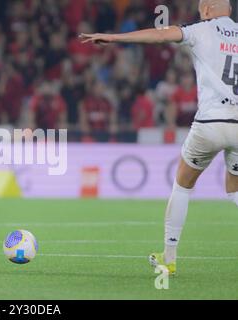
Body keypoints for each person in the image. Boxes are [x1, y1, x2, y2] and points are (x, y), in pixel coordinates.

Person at [79, 0, 238, 275]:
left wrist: (114, 37)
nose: (200, 11)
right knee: (234, 190)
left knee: (183, 185)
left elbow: (161, 34)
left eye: (201, 6)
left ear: (209, 9)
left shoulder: (202, 29)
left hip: (211, 122)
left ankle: (169, 257)